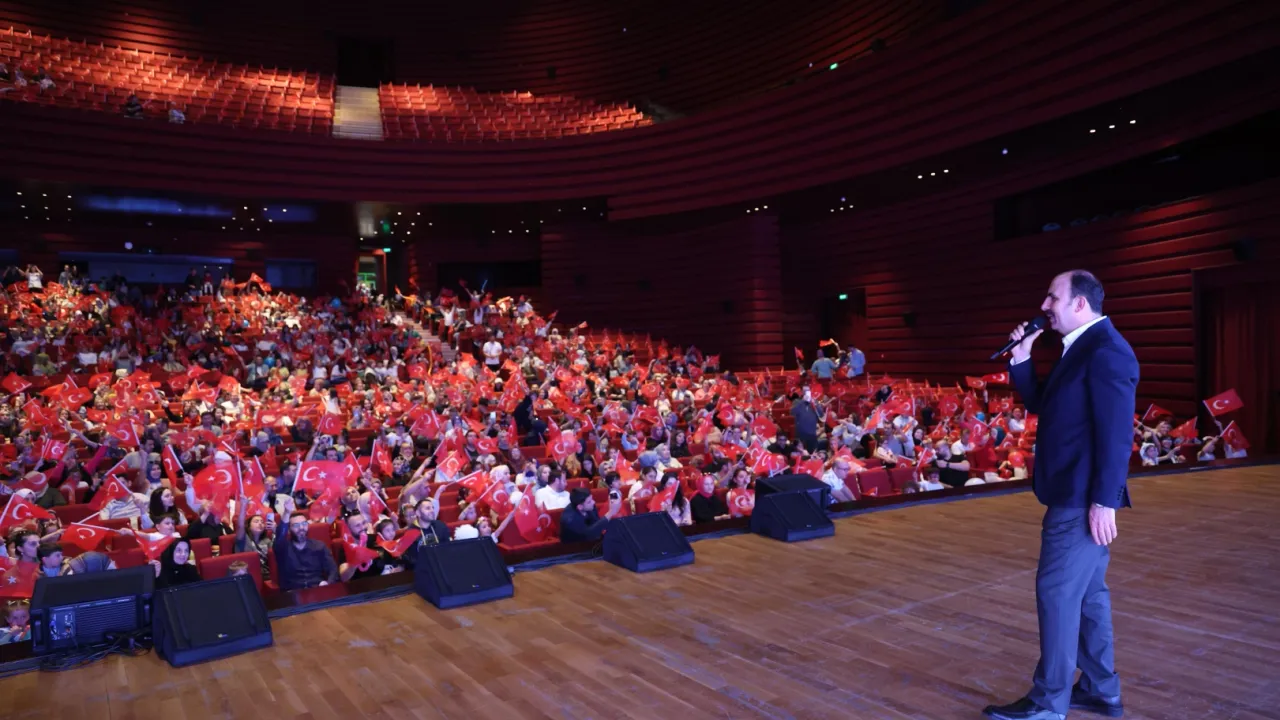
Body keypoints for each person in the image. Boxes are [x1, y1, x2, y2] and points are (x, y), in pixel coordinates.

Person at [984, 270, 1136, 720]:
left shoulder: (1107, 352)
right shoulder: (1081, 347)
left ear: (1079, 304)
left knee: (1056, 595)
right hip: (1074, 492)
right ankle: (1101, 689)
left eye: (1053, 297)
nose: (1044, 305)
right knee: (1088, 596)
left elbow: (1116, 435)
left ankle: (1048, 702)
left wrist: (1105, 501)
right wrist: (1022, 357)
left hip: (1080, 499)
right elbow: (1045, 404)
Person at [273, 511, 339, 591]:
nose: (301, 528)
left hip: (317, 589)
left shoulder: (319, 546)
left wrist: (328, 583)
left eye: (304, 524)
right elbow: (280, 536)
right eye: (296, 525)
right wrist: (287, 512)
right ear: (289, 529)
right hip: (292, 593)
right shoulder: (282, 548)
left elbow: (333, 569)